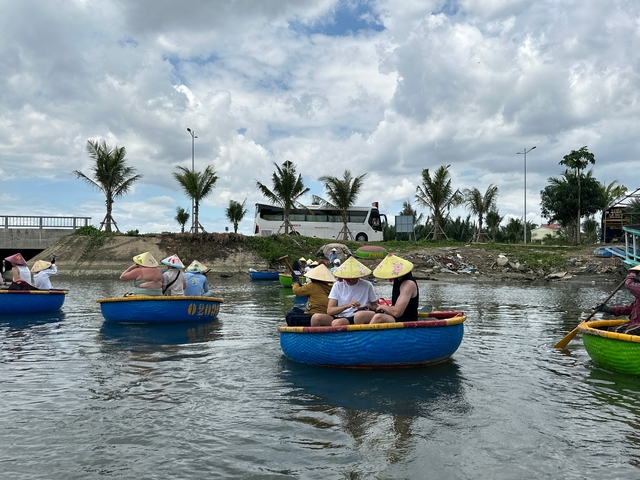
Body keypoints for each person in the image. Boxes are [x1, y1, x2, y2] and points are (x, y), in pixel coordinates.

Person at [311, 256, 377, 326]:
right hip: (341, 315)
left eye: (354, 277)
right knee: (315, 317)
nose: (352, 279)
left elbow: (375, 306)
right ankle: (318, 337)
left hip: (356, 315)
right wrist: (347, 305)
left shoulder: (367, 285)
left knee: (338, 323)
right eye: (349, 277)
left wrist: (367, 307)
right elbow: (330, 311)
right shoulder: (337, 285)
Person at [356, 254, 419, 324]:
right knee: (360, 315)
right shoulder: (398, 280)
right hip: (393, 316)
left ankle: (367, 335)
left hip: (406, 319)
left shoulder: (408, 284)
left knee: (378, 317)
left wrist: (383, 307)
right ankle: (358, 335)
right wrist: (374, 307)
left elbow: (397, 312)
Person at [599, 265, 640, 334]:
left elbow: (629, 285)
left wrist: (630, 278)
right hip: (635, 324)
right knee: (613, 330)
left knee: (628, 333)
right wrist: (609, 309)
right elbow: (631, 309)